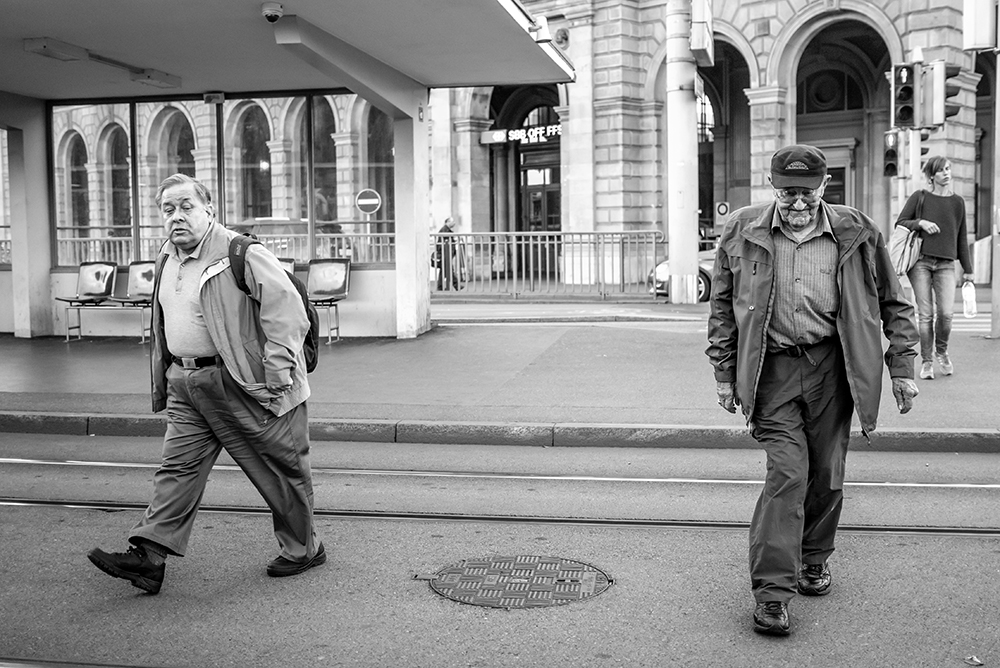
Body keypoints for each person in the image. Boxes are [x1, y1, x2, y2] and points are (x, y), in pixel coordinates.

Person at [706, 145, 919, 636]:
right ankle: (772, 594)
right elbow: (721, 305)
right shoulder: (742, 229)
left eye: (806, 192)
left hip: (832, 367)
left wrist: (902, 366)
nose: (797, 203)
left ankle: (815, 558)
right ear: (772, 185)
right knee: (787, 475)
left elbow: (894, 300)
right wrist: (722, 370)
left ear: (825, 187)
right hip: (771, 371)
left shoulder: (857, 230)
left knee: (827, 472)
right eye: (787, 192)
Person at [88, 174, 324, 594]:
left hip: (243, 382)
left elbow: (287, 312)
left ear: (209, 209)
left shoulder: (241, 252)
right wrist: (166, 374)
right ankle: (150, 557)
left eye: (186, 207)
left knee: (280, 468)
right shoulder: (166, 257)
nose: (176, 217)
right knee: (177, 468)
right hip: (185, 382)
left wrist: (278, 372)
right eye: (168, 209)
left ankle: (303, 548)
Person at [894, 156, 974, 380]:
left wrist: (968, 269)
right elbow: (900, 222)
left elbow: (962, 235)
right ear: (932, 176)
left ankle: (942, 352)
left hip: (946, 264)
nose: (946, 173)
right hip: (920, 262)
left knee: (946, 314)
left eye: (948, 169)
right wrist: (920, 223)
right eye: (941, 170)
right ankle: (927, 361)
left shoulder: (957, 202)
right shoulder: (920, 197)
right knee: (926, 315)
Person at [435, 216, 463, 291]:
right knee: (448, 269)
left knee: (444, 270)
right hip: (445, 253)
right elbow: (446, 241)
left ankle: (440, 287)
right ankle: (456, 285)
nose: (454, 223)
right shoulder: (445, 230)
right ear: (447, 222)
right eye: (452, 221)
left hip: (446, 252)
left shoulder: (446, 229)